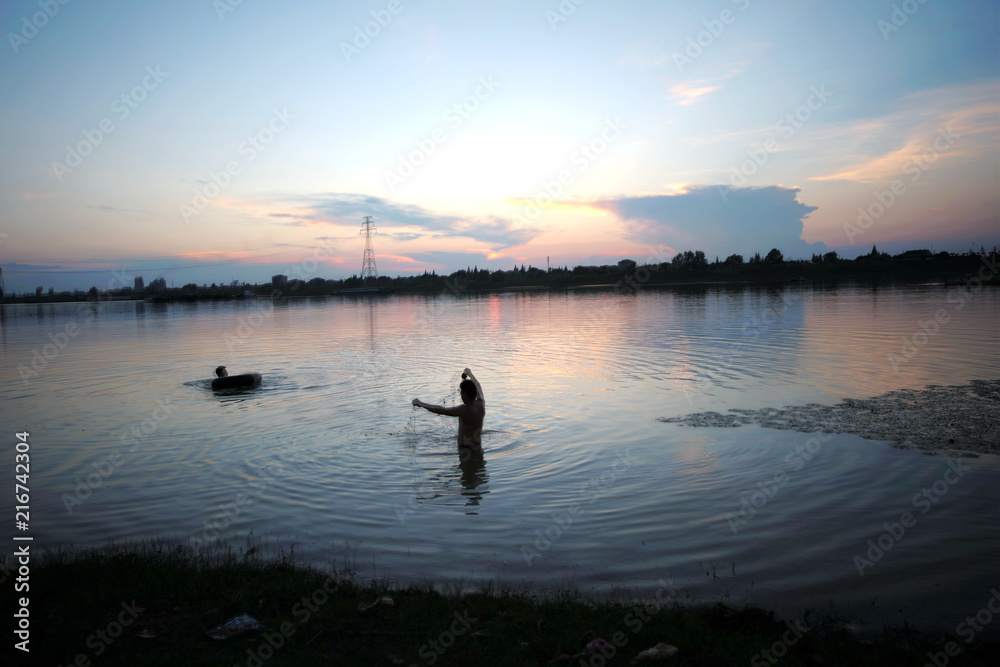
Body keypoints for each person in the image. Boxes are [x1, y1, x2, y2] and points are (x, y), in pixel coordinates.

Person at [412, 368, 486, 457]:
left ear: (466, 395)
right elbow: (478, 386)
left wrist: (421, 404)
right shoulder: (481, 403)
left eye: (461, 394)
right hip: (477, 447)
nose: (461, 396)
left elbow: (441, 410)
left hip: (465, 449)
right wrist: (470, 374)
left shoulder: (465, 410)